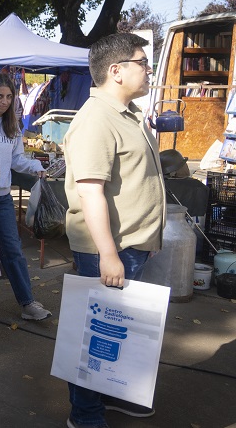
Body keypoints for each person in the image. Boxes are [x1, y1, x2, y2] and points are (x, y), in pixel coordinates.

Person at [63, 33, 164, 426]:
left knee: (118, 333)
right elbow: (91, 193)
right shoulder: (96, 118)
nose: (148, 69)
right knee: (94, 337)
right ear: (116, 71)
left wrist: (146, 238)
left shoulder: (130, 113)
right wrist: (108, 254)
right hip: (108, 250)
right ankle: (85, 415)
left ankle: (111, 393)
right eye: (143, 62)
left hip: (131, 245)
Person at [0, 72, 52, 320]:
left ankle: (28, 303)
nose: (4, 101)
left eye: (9, 97)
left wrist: (37, 168)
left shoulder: (13, 126)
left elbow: (17, 159)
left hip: (1, 198)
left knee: (12, 249)